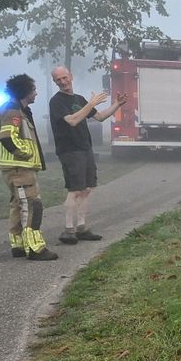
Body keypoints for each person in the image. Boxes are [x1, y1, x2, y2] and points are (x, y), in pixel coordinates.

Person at [48, 66, 126, 245]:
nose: (62, 81)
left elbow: (99, 117)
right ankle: (68, 230)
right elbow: (73, 120)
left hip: (85, 147)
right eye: (58, 80)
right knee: (74, 189)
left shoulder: (79, 99)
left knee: (87, 189)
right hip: (69, 150)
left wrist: (117, 105)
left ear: (71, 76)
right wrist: (91, 103)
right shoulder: (56, 102)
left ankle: (82, 228)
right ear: (55, 82)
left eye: (64, 77)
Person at [0, 74, 56, 260]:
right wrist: (25, 152)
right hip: (19, 168)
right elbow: (7, 137)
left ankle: (18, 244)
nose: (36, 93)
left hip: (15, 168)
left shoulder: (16, 109)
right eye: (33, 90)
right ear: (25, 91)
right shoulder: (14, 112)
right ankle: (35, 247)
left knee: (18, 204)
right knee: (32, 206)